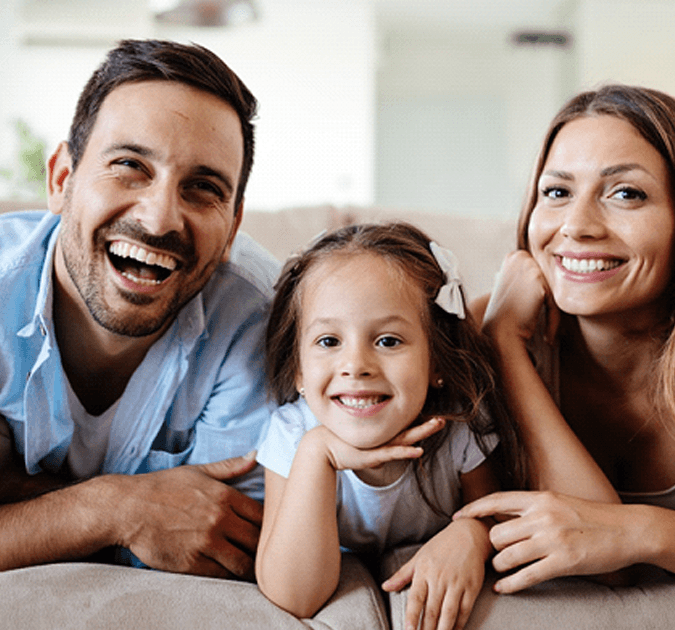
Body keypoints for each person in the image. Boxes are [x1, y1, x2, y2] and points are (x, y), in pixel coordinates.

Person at [0, 39, 280, 580]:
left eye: (203, 188)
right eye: (129, 165)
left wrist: (21, 498)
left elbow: (222, 545)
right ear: (62, 180)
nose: (158, 220)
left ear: (234, 226)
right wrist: (117, 509)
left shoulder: (261, 321)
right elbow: (169, 528)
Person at [455, 84, 675, 594]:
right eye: (556, 192)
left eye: (626, 194)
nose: (576, 226)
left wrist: (643, 532)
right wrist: (504, 346)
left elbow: (608, 550)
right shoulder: (486, 326)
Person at [255, 223, 520, 630]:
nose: (356, 365)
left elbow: (493, 514)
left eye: (388, 341)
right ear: (299, 373)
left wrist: (470, 535)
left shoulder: (459, 425)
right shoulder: (291, 434)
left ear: (436, 363)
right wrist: (317, 453)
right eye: (329, 341)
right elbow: (296, 597)